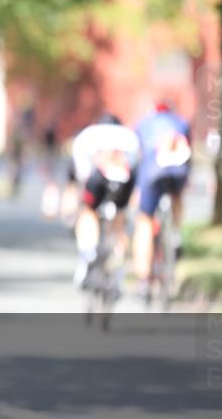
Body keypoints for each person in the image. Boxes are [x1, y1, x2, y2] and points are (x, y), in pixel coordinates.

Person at [69, 114, 140, 289]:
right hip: (124, 179)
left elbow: (83, 173)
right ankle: (118, 267)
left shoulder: (88, 134)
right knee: (120, 218)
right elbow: (135, 164)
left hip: (99, 177)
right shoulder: (129, 135)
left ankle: (89, 252)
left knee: (88, 212)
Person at [131, 99, 192, 295]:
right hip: (178, 170)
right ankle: (175, 235)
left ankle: (143, 277)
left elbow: (137, 157)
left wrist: (137, 188)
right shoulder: (181, 122)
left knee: (145, 221)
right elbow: (188, 152)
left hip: (153, 172)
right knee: (177, 197)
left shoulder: (143, 124)